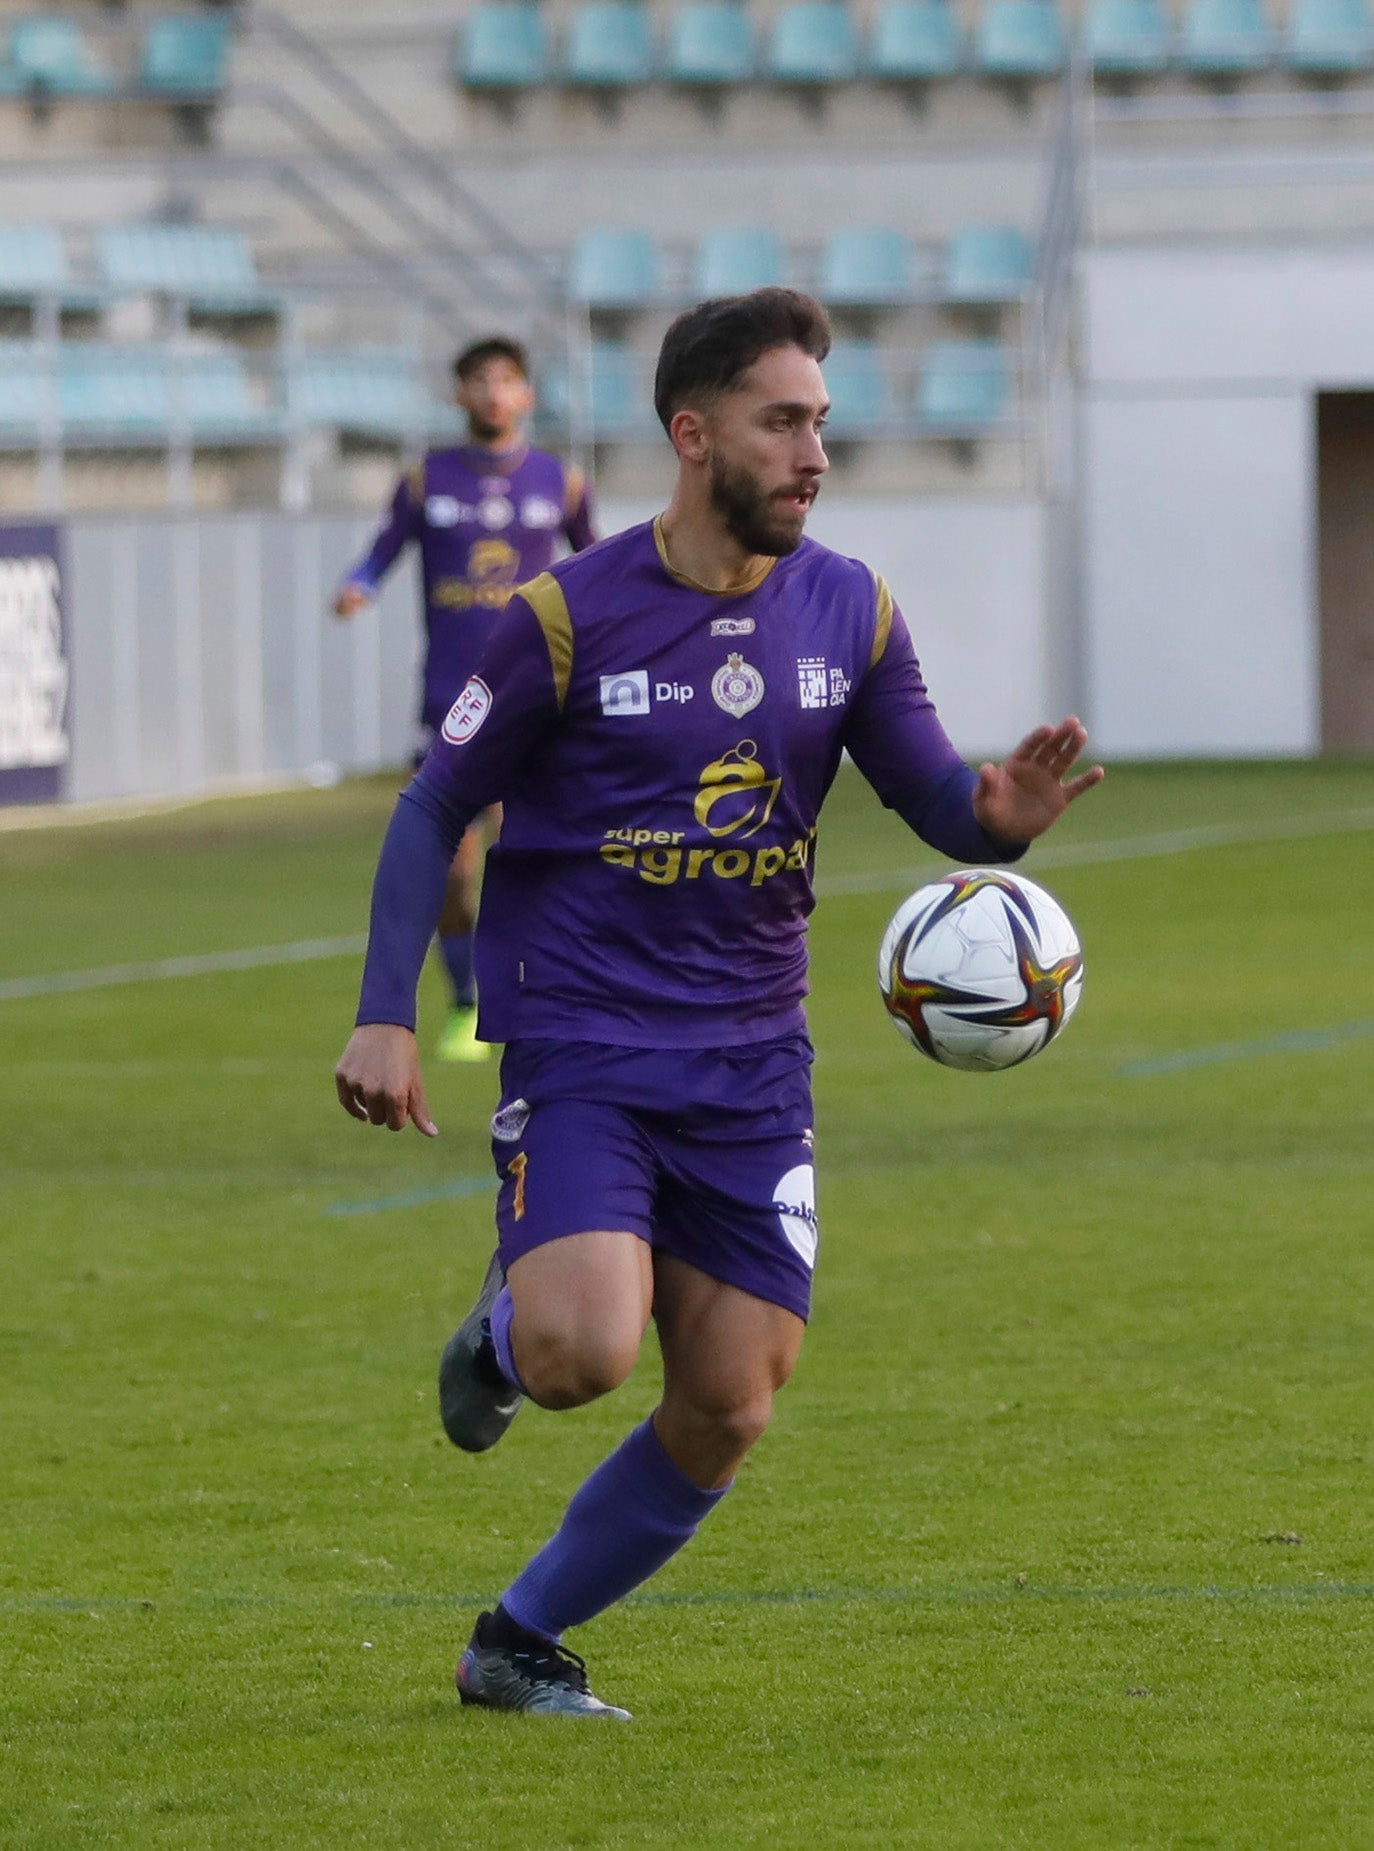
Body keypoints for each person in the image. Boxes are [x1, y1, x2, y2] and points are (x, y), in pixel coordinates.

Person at [333, 288, 1104, 1721]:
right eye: (782, 421)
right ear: (693, 435)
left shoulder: (850, 607)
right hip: (584, 1041)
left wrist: (999, 816)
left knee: (731, 1401)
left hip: (751, 1059)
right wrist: (388, 1009)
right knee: (579, 1350)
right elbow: (437, 795)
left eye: (819, 420)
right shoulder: (564, 618)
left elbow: (938, 794)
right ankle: (497, 1335)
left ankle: (519, 1639)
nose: (814, 451)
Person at [333, 336, 598, 1063]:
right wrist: (359, 584)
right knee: (454, 868)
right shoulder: (426, 481)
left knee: (529, 850)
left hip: (536, 701)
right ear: (459, 394)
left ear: (526, 395)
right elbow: (383, 548)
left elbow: (598, 563)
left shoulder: (560, 481)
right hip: (449, 701)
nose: (492, 392)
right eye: (478, 380)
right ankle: (463, 998)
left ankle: (537, 994)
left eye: (506, 380)